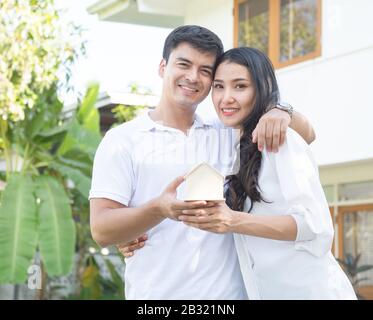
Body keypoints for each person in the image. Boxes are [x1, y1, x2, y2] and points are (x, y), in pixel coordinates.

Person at [89, 26, 315, 299]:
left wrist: (282, 111)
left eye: (205, 71)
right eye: (183, 64)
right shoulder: (123, 141)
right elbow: (101, 229)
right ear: (163, 67)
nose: (193, 77)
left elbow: (308, 135)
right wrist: (159, 209)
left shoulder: (227, 134)